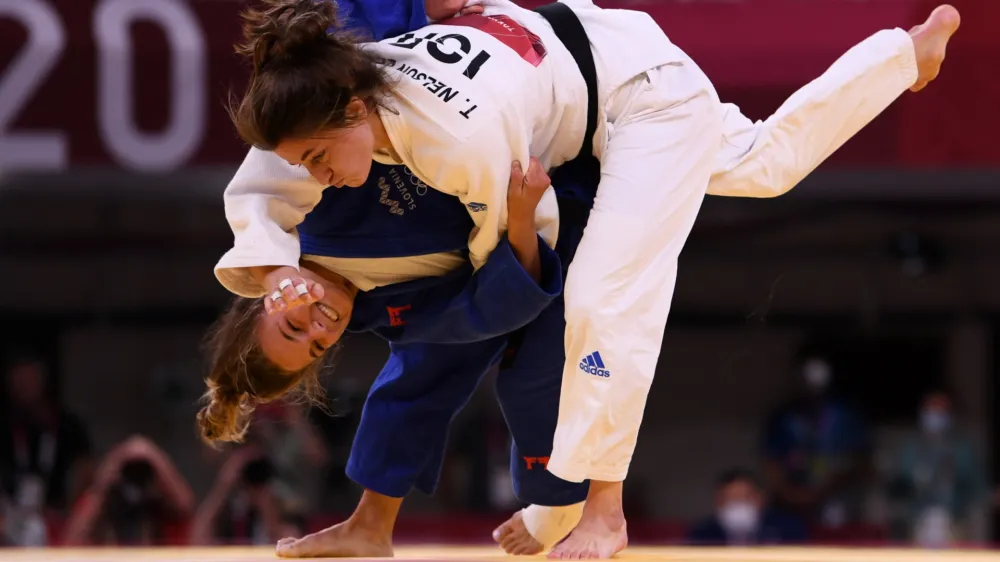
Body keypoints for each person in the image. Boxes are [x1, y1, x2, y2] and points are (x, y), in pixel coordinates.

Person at [215, 0, 960, 556]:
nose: (316, 178)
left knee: (606, 292)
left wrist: (511, 229)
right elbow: (269, 179)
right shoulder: (360, 73)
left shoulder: (456, 144)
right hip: (585, 40)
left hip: (640, 102)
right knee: (765, 165)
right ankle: (903, 56)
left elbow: (517, 252)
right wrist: (278, 264)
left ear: (351, 112)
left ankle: (605, 508)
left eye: (316, 160)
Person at [687, 468, 807, 546]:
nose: (740, 504)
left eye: (746, 497)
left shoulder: (788, 530)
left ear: (761, 499)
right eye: (732, 499)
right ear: (718, 502)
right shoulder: (701, 535)